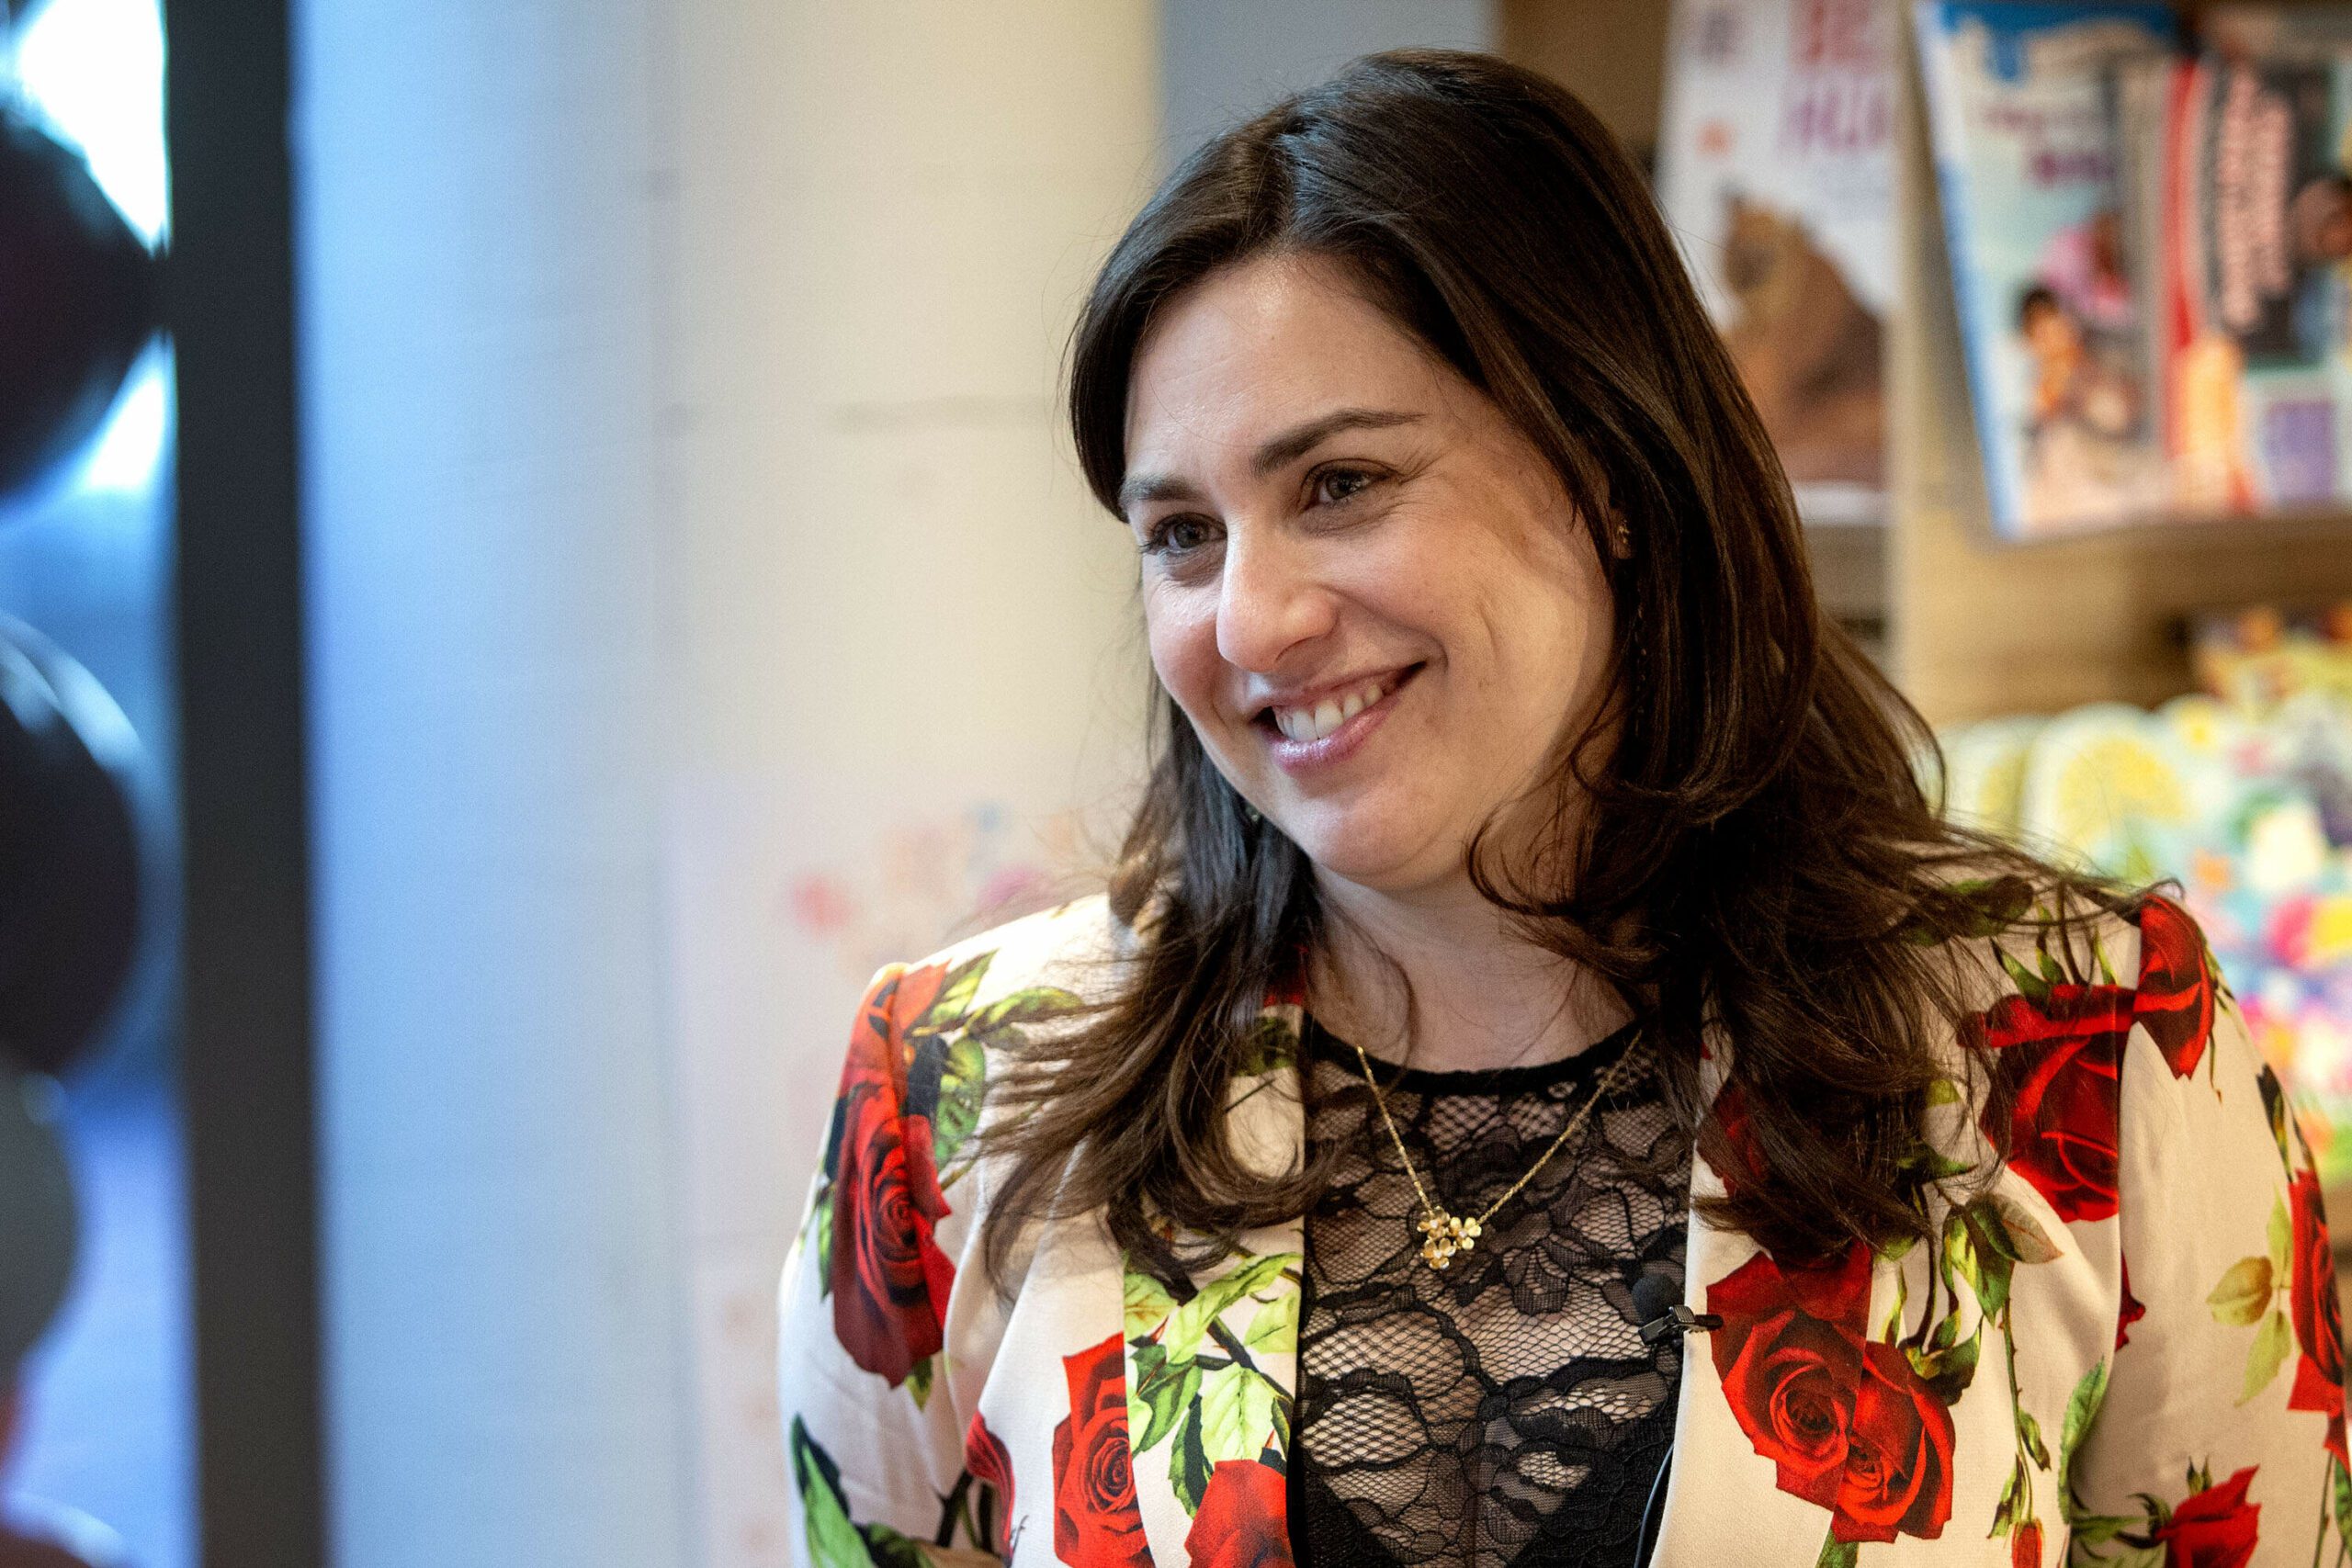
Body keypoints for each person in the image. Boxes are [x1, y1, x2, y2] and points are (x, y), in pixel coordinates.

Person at [775, 51, 2347, 1568]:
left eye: (1340, 486)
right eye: (1182, 534)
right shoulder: (958, 1089)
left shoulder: (2094, 1040)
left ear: (1608, 467)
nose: (1249, 622)